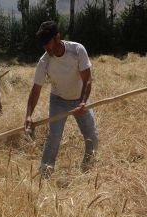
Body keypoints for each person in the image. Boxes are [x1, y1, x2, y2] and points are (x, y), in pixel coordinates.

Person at [24, 21, 99, 178]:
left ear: (57, 37)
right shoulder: (44, 62)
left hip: (80, 98)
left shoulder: (77, 50)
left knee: (92, 136)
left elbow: (88, 80)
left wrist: (83, 102)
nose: (46, 49)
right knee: (54, 138)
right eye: (43, 45)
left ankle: (88, 171)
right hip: (58, 100)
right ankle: (45, 175)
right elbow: (35, 91)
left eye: (48, 43)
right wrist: (28, 115)